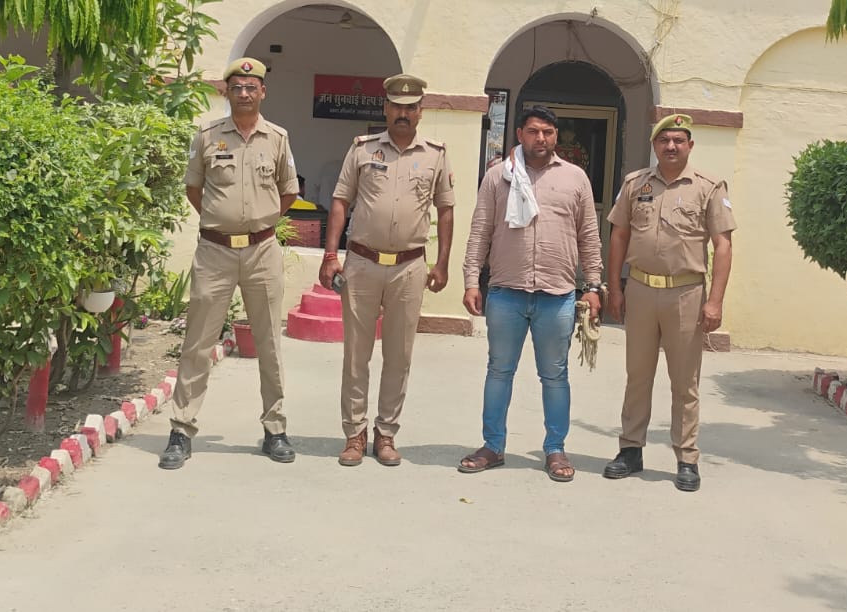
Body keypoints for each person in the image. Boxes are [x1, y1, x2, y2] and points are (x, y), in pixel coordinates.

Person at [160, 57, 300, 470]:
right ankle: (181, 430)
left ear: (263, 92)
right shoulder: (207, 136)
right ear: (226, 91)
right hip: (215, 252)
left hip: (261, 252)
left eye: (251, 87)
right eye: (236, 87)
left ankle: (275, 429)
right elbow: (194, 188)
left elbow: (288, 192)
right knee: (198, 342)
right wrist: (221, 222)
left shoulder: (278, 138)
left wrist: (259, 222)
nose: (244, 93)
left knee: (269, 343)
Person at [458, 104, 602, 482]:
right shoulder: (498, 176)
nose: (541, 138)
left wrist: (593, 286)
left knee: (555, 376)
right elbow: (480, 231)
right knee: (499, 372)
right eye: (534, 131)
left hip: (557, 294)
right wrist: (472, 280)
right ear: (520, 134)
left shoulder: (575, 178)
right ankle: (493, 445)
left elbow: (589, 236)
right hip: (506, 292)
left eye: (548, 132)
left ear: (555, 137)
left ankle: (555, 449)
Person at [320, 73, 455, 466]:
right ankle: (354, 433)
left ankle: (386, 433)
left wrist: (442, 262)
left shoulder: (435, 154)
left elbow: (446, 209)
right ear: (386, 108)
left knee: (399, 355)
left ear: (421, 111)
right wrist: (330, 255)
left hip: (409, 267)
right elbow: (341, 201)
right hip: (362, 263)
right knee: (356, 354)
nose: (403, 113)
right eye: (397, 106)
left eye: (411, 107)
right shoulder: (362, 150)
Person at [601, 113, 735, 492]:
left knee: (685, 382)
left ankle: (687, 458)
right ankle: (630, 449)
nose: (671, 146)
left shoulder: (708, 186)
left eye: (678, 140)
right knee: (638, 376)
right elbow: (619, 235)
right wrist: (616, 288)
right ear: (655, 146)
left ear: (690, 145)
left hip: (686, 294)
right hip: (641, 290)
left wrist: (715, 301)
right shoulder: (635, 184)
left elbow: (723, 245)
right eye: (664, 140)